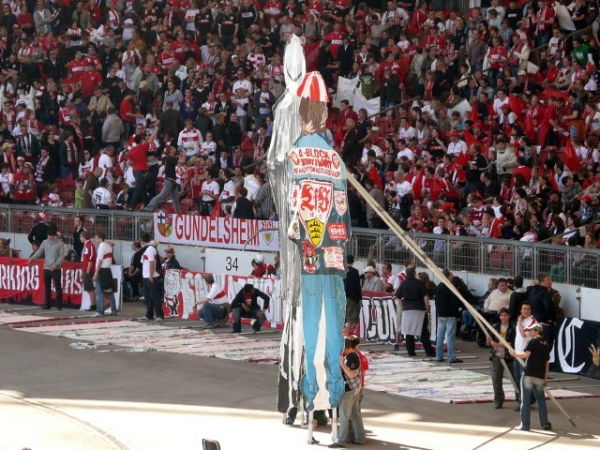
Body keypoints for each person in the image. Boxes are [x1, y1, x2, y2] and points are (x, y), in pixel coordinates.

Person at [510, 323, 552, 432]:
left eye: (532, 330)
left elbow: (526, 355)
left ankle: (525, 425)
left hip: (528, 375)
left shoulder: (532, 342)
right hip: (539, 376)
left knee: (525, 401)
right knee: (541, 401)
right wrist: (545, 378)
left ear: (537, 331)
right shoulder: (546, 345)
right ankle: (544, 423)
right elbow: (547, 363)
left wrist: (515, 354)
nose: (530, 332)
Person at [329, 336, 365, 448]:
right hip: (354, 389)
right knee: (355, 416)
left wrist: (342, 364)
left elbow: (351, 374)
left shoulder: (352, 357)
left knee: (344, 416)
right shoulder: (351, 356)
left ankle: (341, 440)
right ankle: (360, 438)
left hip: (349, 390)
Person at [395, 266, 436, 357]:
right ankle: (429, 352)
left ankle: (411, 351)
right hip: (419, 309)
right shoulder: (420, 283)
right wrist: (426, 308)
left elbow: (398, 296)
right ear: (414, 274)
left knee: (409, 332)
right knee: (423, 331)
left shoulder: (403, 283)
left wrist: (402, 307)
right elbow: (426, 297)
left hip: (407, 310)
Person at [28, 223, 65, 310]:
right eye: (48, 235)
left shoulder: (60, 243)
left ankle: (59, 304)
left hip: (56, 269)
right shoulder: (45, 242)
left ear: (54, 235)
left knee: (58, 287)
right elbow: (39, 252)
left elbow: (62, 256)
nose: (49, 237)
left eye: (51, 236)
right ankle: (47, 304)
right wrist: (32, 259)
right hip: (46, 268)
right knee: (47, 287)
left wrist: (56, 264)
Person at [486, 308, 516, 409]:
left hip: (509, 356)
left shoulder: (512, 328)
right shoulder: (495, 327)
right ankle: (498, 401)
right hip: (497, 356)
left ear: (509, 316)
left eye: (505, 315)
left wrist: (499, 344)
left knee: (515, 378)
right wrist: (489, 341)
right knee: (496, 379)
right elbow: (489, 342)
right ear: (499, 317)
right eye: (502, 315)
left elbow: (511, 343)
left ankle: (520, 399)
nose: (503, 317)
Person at [434, 269, 463, 363]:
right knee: (450, 336)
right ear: (448, 276)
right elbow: (454, 303)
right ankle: (451, 357)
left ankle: (439, 356)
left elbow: (436, 302)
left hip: (441, 314)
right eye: (451, 274)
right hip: (450, 314)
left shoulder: (439, 287)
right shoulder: (450, 287)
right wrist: (457, 314)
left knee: (440, 336)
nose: (452, 276)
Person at [513, 301, 537, 410]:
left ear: (531, 310)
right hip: (517, 353)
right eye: (524, 309)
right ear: (521, 310)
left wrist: (519, 321)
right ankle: (529, 399)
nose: (526, 311)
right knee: (517, 378)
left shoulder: (532, 321)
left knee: (524, 379)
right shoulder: (522, 321)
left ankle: (525, 401)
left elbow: (523, 334)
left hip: (526, 355)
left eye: (528, 309)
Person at [144, 145, 182, 214]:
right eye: (173, 148)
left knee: (176, 199)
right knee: (162, 195)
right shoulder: (170, 158)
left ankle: (178, 213)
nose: (175, 148)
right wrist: (184, 153)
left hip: (173, 181)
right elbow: (183, 161)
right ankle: (149, 207)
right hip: (169, 180)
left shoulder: (167, 158)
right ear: (170, 150)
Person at [138, 233, 164, 322]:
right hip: (146, 276)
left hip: (151, 276)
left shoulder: (150, 249)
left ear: (142, 241)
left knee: (154, 296)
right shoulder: (148, 249)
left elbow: (152, 263)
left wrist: (151, 276)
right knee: (148, 297)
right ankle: (149, 315)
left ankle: (159, 315)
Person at [92, 231, 117, 317]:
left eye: (96, 237)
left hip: (102, 270)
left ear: (100, 238)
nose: (95, 239)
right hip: (107, 270)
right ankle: (114, 310)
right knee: (109, 291)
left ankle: (100, 311)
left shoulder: (102, 246)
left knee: (99, 292)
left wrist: (96, 273)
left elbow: (99, 261)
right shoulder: (108, 246)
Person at [344, 255, 362, 335]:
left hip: (341, 297)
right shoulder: (354, 272)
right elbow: (357, 286)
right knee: (349, 319)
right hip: (351, 298)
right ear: (353, 261)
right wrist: (359, 298)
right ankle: (345, 336)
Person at [79, 230, 97, 311]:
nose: (80, 238)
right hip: (85, 269)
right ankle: (92, 304)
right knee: (88, 288)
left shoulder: (90, 246)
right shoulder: (86, 246)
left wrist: (88, 270)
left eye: (80, 237)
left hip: (88, 270)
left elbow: (91, 259)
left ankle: (93, 305)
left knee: (90, 288)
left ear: (84, 237)